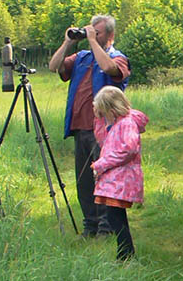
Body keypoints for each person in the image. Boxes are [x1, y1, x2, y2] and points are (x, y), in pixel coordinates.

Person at [49, 15, 131, 237]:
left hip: (106, 130)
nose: (93, 35)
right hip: (80, 128)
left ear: (111, 35)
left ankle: (107, 226)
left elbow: (108, 68)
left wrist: (93, 41)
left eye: (99, 32)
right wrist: (68, 42)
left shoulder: (118, 57)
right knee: (84, 180)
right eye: (91, 31)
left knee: (105, 178)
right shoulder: (81, 57)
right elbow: (53, 66)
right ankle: (90, 225)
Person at [91, 86, 148, 260]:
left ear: (112, 109)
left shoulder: (127, 123)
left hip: (122, 178)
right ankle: (124, 253)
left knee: (115, 218)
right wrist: (100, 120)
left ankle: (126, 254)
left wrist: (101, 164)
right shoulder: (115, 123)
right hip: (114, 178)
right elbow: (101, 139)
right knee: (114, 216)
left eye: (104, 112)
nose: (102, 115)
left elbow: (128, 149)